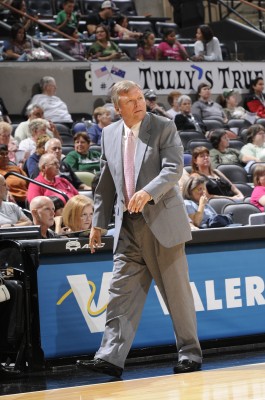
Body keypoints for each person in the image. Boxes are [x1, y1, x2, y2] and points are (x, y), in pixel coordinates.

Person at [76, 80, 202, 377]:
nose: (139, 103)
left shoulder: (162, 127)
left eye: (140, 97)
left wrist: (148, 191)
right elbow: (105, 183)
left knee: (176, 294)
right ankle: (110, 357)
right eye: (130, 100)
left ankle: (190, 354)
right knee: (120, 292)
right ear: (118, 108)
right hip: (127, 227)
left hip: (161, 223)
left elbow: (174, 169)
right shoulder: (108, 134)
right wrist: (97, 223)